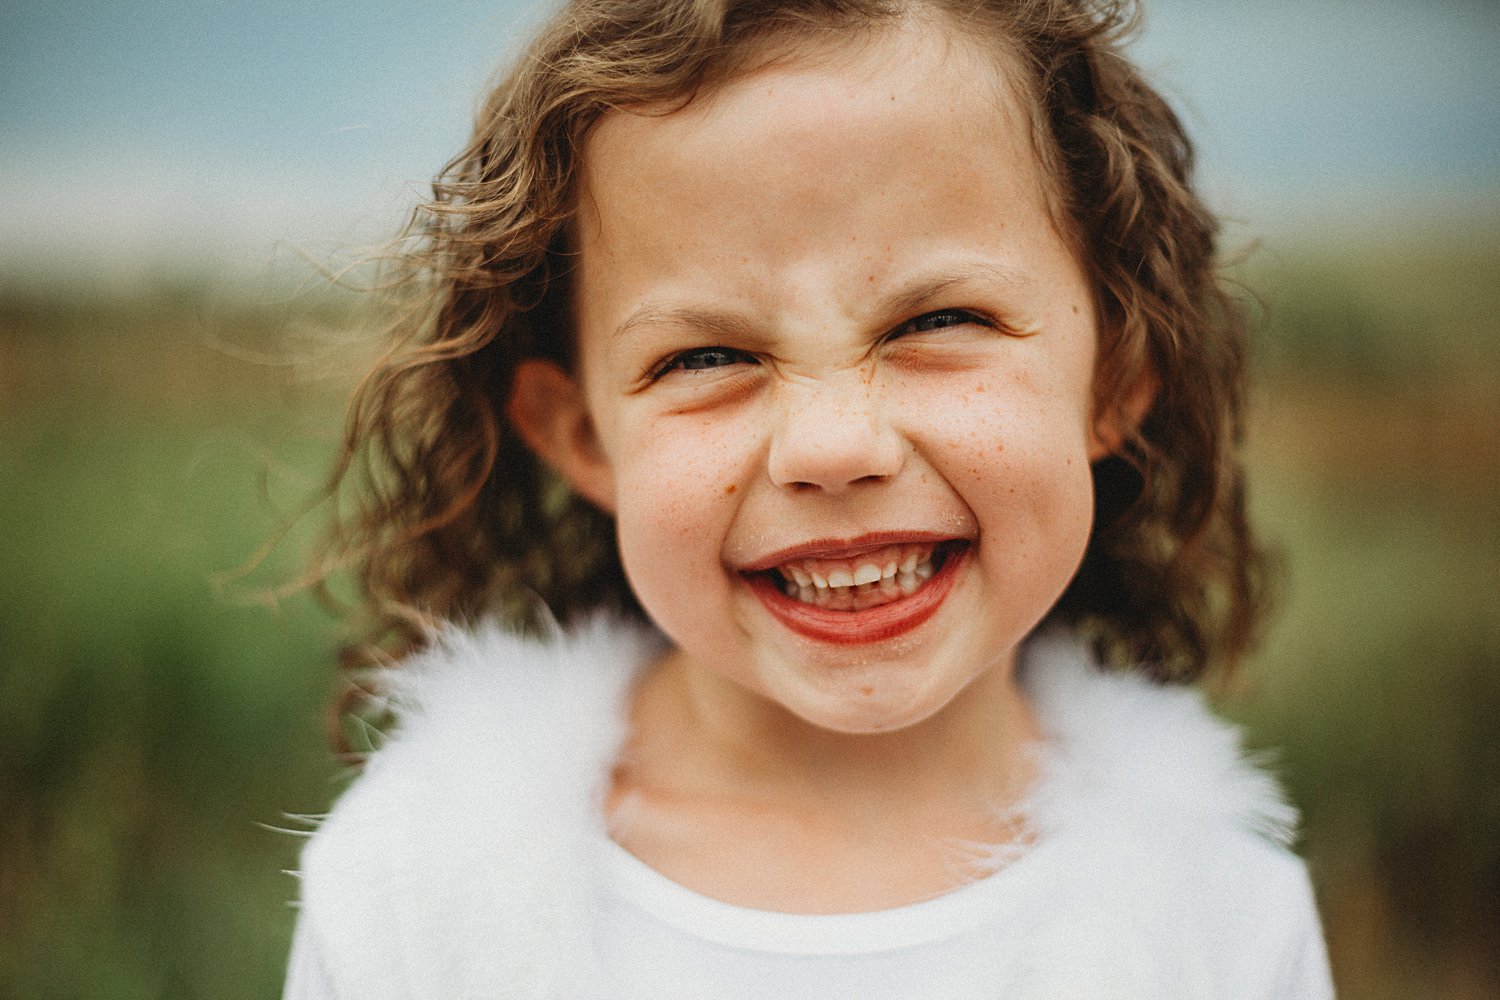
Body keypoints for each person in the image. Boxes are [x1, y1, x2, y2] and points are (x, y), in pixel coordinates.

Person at [283, 0, 1335, 996]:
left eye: (936, 321)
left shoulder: (1225, 922)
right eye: (706, 353)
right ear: (581, 436)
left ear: (1113, 377)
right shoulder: (413, 891)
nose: (834, 446)